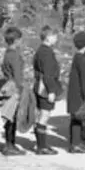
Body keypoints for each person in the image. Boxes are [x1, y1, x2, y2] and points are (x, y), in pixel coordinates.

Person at [32, 25, 63, 155]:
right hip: (44, 87)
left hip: (39, 84)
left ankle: (42, 144)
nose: (56, 38)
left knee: (41, 115)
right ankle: (41, 146)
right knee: (44, 116)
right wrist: (51, 91)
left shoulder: (41, 50)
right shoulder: (47, 53)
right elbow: (48, 74)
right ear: (48, 37)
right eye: (54, 36)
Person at [0, 26, 26, 156]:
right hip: (13, 88)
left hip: (7, 86)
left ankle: (9, 144)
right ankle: (10, 145)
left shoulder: (7, 53)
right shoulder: (14, 55)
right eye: (20, 39)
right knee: (12, 116)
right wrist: (20, 90)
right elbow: (17, 75)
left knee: (9, 115)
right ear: (16, 40)